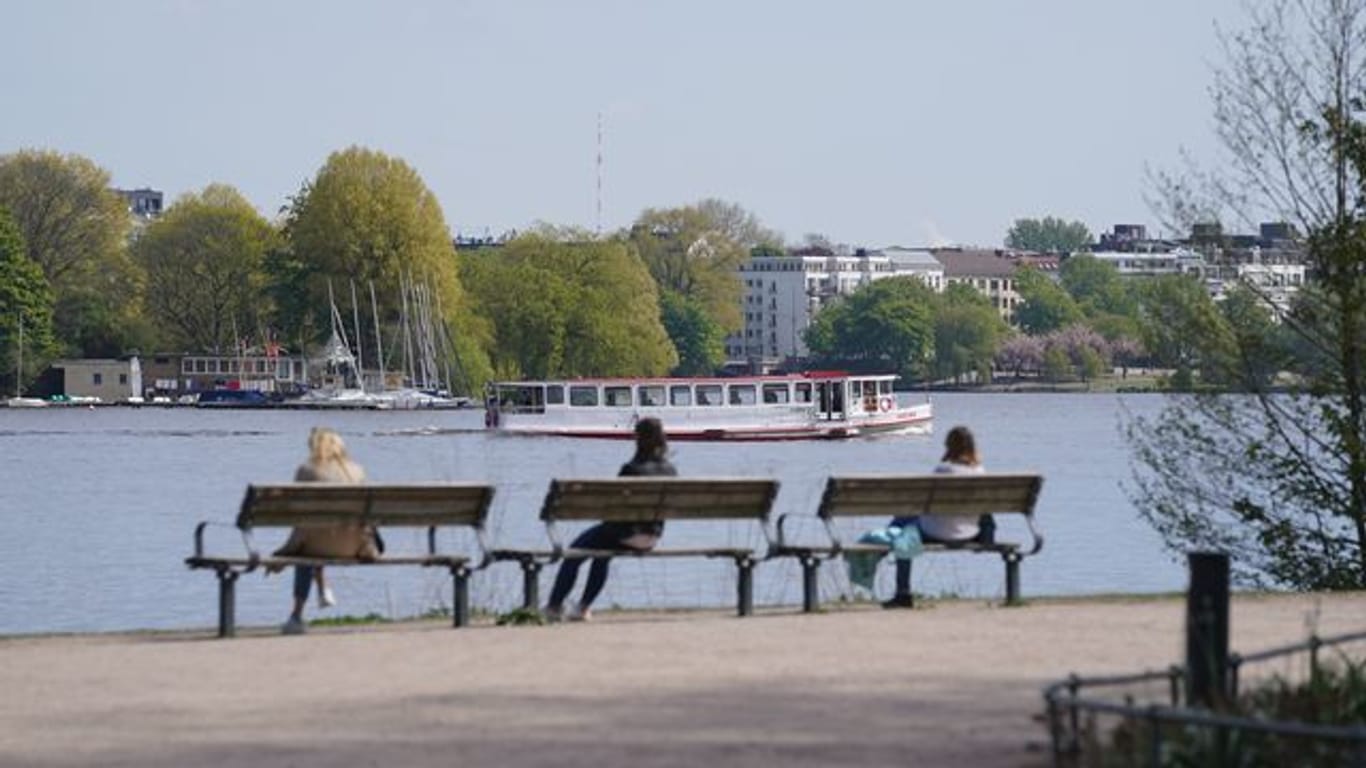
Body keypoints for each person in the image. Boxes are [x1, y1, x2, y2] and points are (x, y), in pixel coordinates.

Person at [544, 417, 676, 622]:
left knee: (574, 554)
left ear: (638, 438)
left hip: (625, 535)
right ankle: (583, 607)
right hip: (652, 537)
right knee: (601, 554)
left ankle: (554, 606)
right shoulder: (670, 471)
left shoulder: (632, 469)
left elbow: (615, 506)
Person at [272, 427, 376, 635]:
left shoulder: (306, 471)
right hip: (353, 546)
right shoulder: (357, 471)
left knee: (307, 547)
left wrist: (285, 552)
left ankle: (297, 615)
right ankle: (322, 590)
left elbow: (301, 521)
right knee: (315, 535)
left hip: (317, 545)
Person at [882, 425, 987, 609]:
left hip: (936, 531)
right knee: (903, 524)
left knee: (903, 532)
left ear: (949, 446)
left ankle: (903, 593)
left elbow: (923, 502)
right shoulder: (980, 472)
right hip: (970, 531)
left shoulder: (944, 470)